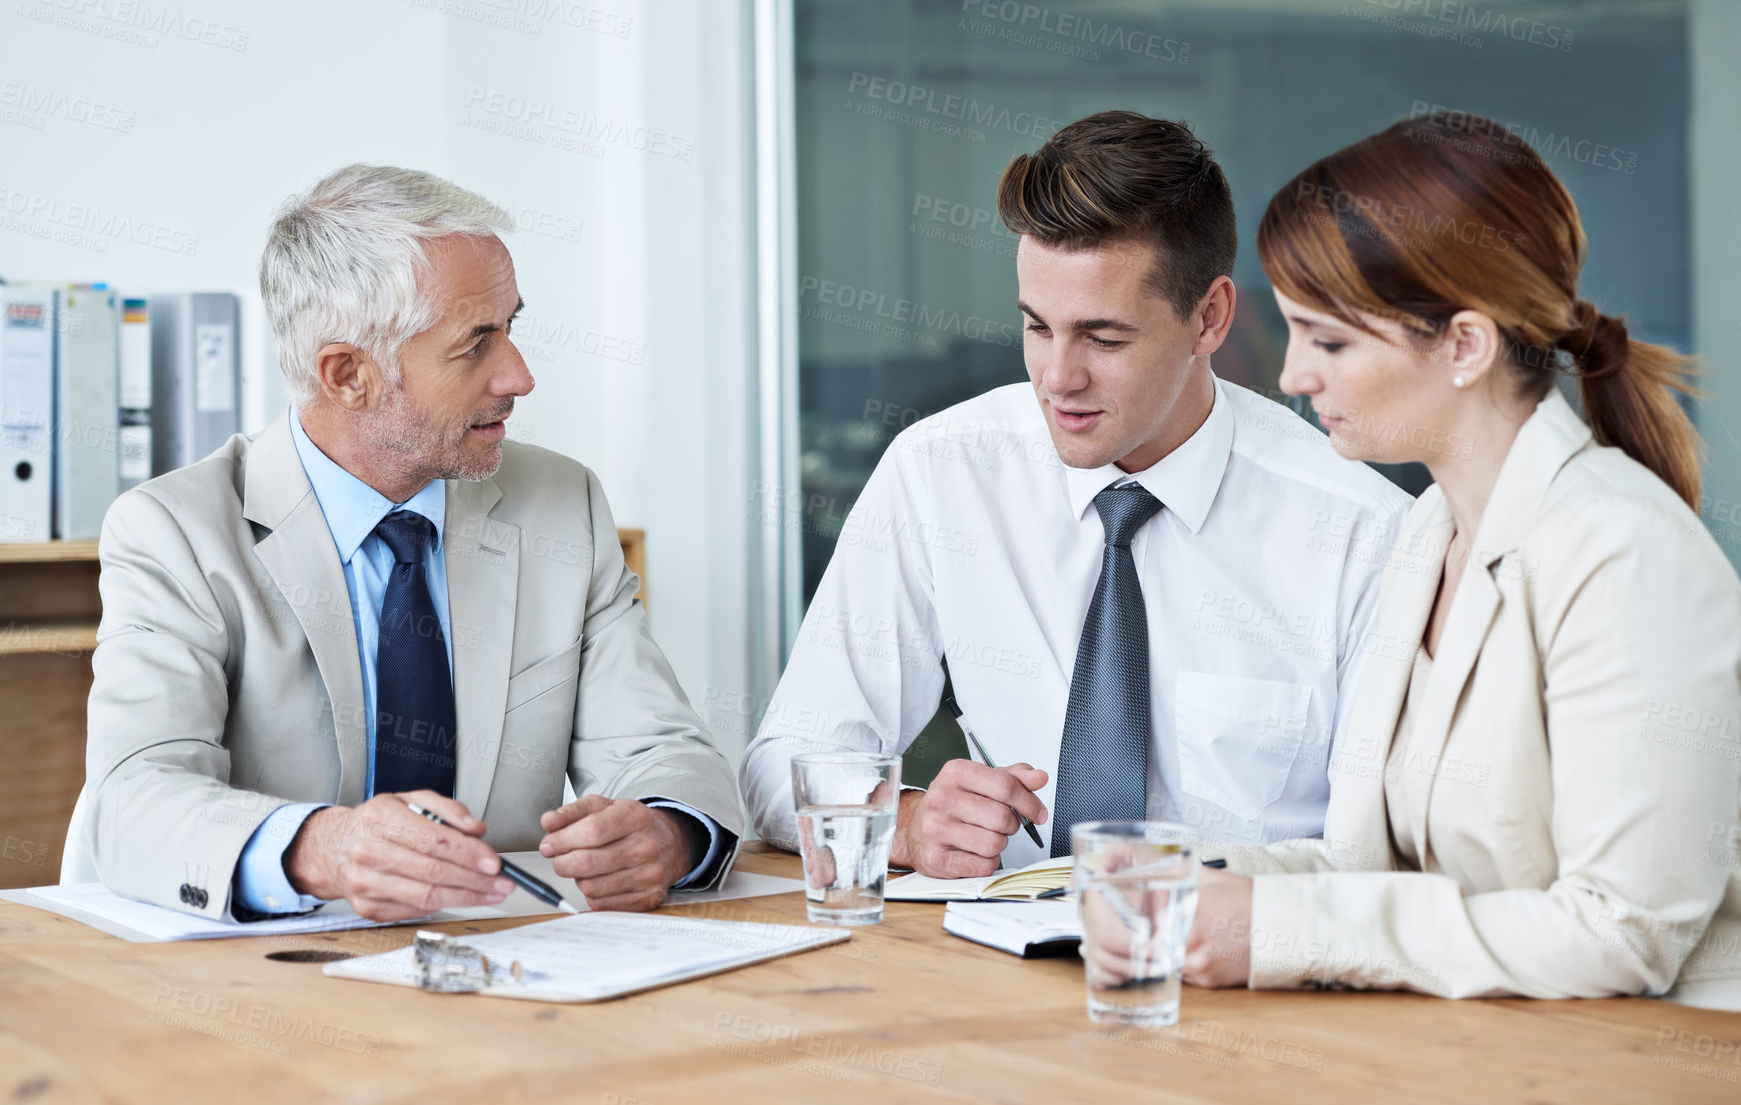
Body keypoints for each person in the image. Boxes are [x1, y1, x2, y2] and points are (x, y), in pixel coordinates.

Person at [740, 112, 1411, 876]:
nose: (1057, 379)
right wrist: (905, 821)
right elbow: (784, 763)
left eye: (1104, 338)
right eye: (1036, 328)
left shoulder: (1363, 534)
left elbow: (1381, 854)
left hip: (1237, 972)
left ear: (1210, 318)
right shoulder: (942, 474)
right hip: (992, 961)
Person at [1174, 112, 1741, 1009]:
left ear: (1464, 346)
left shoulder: (1624, 554)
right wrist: (1175, 875)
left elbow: (1621, 932)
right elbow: (1370, 867)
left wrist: (1276, 930)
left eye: (1327, 340)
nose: (1291, 377)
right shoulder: (1427, 529)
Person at [83, 165, 743, 923]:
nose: (520, 377)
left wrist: (666, 830)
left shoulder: (562, 506)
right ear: (348, 375)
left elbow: (665, 748)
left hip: (515, 968)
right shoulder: (174, 531)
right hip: (272, 980)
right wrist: (322, 850)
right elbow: (134, 800)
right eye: (476, 344)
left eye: (512, 327)